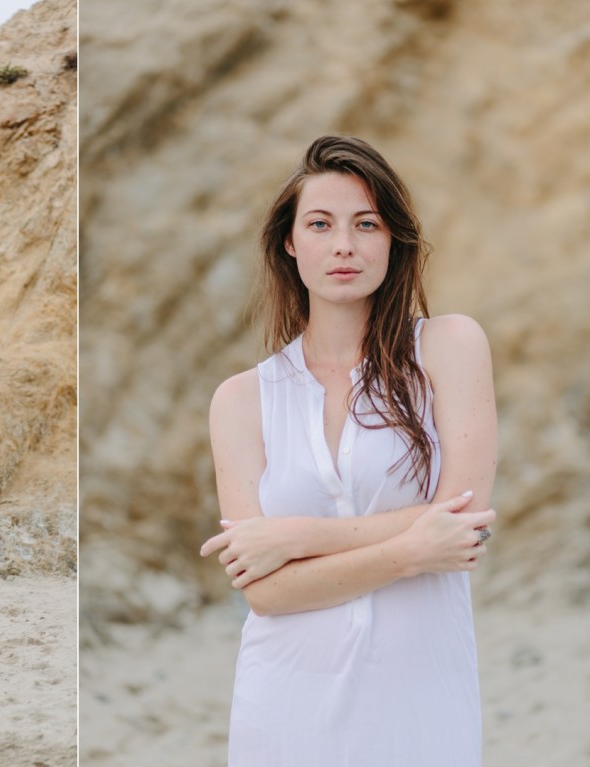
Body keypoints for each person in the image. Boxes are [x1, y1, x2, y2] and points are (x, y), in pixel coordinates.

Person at [199, 135, 497, 766]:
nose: (344, 245)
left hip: (421, 697)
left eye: (367, 224)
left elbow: (462, 519)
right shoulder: (241, 399)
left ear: (394, 240)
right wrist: (413, 548)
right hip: (283, 701)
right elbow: (266, 594)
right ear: (289, 242)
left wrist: (294, 537)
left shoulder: (449, 347)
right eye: (320, 224)